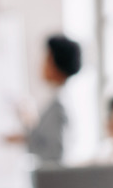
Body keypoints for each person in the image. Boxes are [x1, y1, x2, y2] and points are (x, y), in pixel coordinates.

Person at [15, 35, 82, 165]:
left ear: (56, 63)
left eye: (46, 59)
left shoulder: (59, 105)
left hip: (53, 179)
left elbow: (55, 153)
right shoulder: (59, 99)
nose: (41, 64)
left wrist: (28, 137)